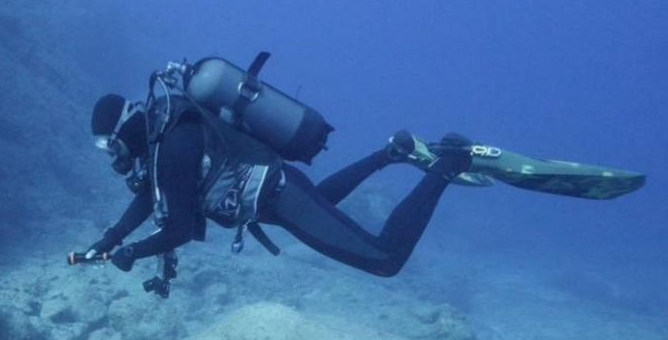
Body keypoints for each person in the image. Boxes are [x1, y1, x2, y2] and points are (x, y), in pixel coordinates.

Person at [82, 92, 475, 280]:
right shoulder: (164, 140)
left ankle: (447, 165)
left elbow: (179, 229)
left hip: (284, 198)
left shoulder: (172, 147)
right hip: (281, 197)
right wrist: (111, 238)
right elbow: (149, 197)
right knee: (320, 201)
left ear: (124, 128)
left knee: (385, 259)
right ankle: (389, 154)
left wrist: (133, 251)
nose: (111, 154)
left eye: (108, 144)